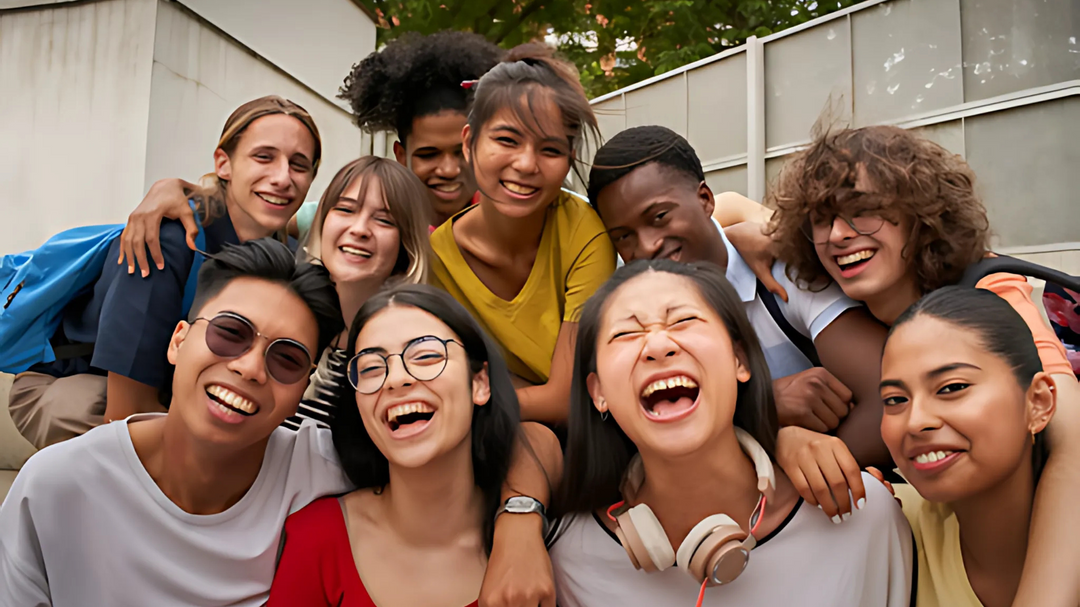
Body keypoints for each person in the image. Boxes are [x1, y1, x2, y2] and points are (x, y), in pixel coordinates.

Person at [0, 239, 563, 607]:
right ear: (177, 341)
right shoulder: (57, 486)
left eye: (286, 359)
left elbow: (517, 436)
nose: (248, 367)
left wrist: (519, 520)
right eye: (229, 333)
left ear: (304, 390)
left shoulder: (320, 465)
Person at [730, 123, 1080, 606]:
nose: (838, 235)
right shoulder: (841, 287)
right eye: (820, 219)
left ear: (921, 213)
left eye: (865, 211)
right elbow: (724, 205)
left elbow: (1074, 441)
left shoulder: (990, 293)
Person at [549, 260, 911, 606]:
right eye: (626, 333)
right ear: (597, 392)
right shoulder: (571, 557)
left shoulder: (862, 515)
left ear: (739, 360)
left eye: (685, 320)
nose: (658, 347)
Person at [587, 125, 893, 518]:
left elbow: (889, 399)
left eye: (660, 217)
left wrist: (796, 480)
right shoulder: (629, 321)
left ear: (705, 199)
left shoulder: (782, 275)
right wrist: (763, 407)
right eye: (624, 236)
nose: (646, 246)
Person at [8, 96, 322, 449]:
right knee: (131, 449)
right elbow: (125, 413)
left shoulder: (286, 255)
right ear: (224, 163)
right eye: (263, 157)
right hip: (79, 385)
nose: (282, 178)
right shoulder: (165, 240)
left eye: (299, 165)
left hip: (174, 394)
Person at [269, 284, 520, 606]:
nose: (396, 378)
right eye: (371, 367)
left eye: (427, 355)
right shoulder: (317, 536)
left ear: (479, 383)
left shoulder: (539, 534)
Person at [429, 43, 617, 424]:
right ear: (469, 143)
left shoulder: (583, 232)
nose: (526, 164)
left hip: (592, 440)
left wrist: (471, 399)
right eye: (507, 140)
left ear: (569, 158)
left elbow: (567, 400)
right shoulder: (435, 258)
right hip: (490, 437)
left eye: (550, 149)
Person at [879, 287, 1056, 607]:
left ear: (1038, 402)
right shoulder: (885, 522)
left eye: (952, 387)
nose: (916, 421)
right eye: (895, 400)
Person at [283, 156, 432, 429]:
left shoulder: (413, 356)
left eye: (385, 220)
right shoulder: (282, 313)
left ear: (406, 244)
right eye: (346, 210)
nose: (359, 229)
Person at [334, 30, 503, 232]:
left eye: (464, 151)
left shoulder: (516, 221)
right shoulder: (367, 223)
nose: (449, 170)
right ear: (401, 156)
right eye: (429, 154)